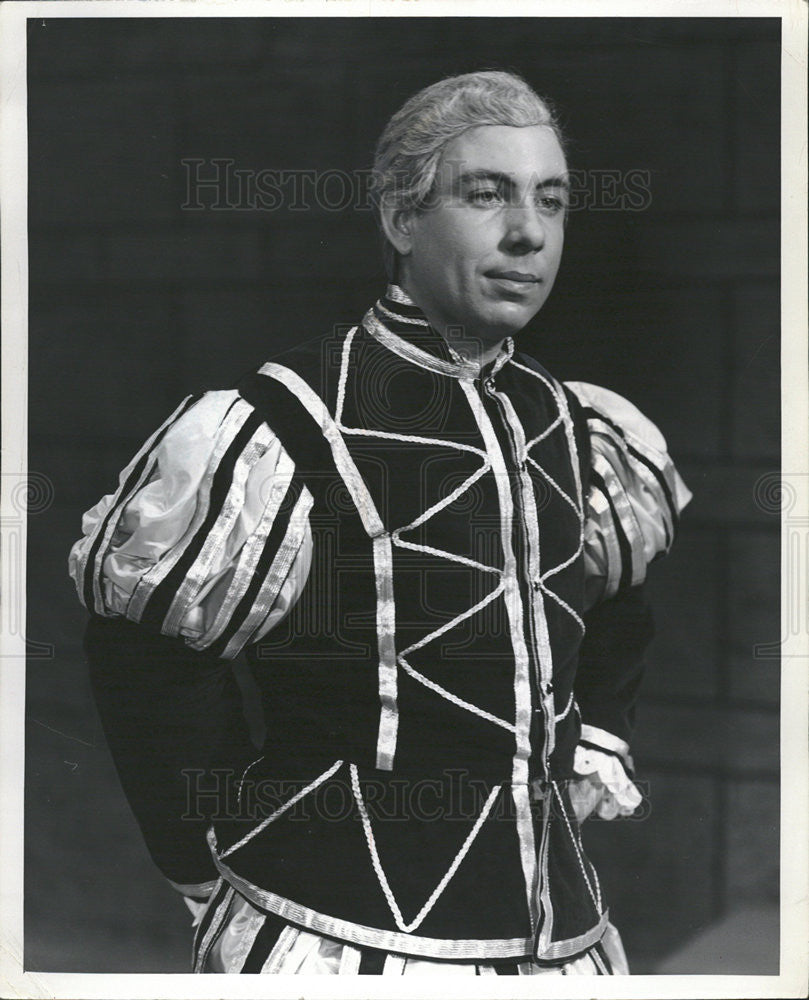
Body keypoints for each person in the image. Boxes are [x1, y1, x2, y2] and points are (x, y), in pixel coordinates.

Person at [69, 70, 691, 976]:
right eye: (487, 195)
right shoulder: (285, 421)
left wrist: (594, 737)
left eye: (550, 202)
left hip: (563, 943)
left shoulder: (578, 424)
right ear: (402, 220)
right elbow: (145, 659)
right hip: (328, 941)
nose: (528, 233)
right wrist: (208, 863)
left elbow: (616, 602)